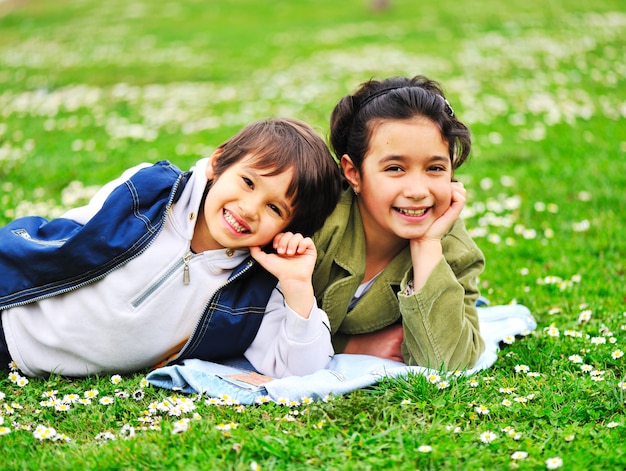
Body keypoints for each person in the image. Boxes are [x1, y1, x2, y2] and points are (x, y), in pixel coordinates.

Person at [0, 118, 342, 379]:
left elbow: (305, 373)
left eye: (275, 209)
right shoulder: (150, 193)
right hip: (13, 315)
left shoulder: (253, 291)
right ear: (218, 162)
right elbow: (67, 239)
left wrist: (298, 288)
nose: (250, 208)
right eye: (248, 182)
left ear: (287, 229)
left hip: (29, 365)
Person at [312, 75, 486, 371]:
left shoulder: (452, 247)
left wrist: (427, 246)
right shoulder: (317, 219)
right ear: (353, 173)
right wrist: (351, 346)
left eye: (435, 168)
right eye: (395, 168)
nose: (418, 191)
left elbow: (450, 362)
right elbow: (251, 320)